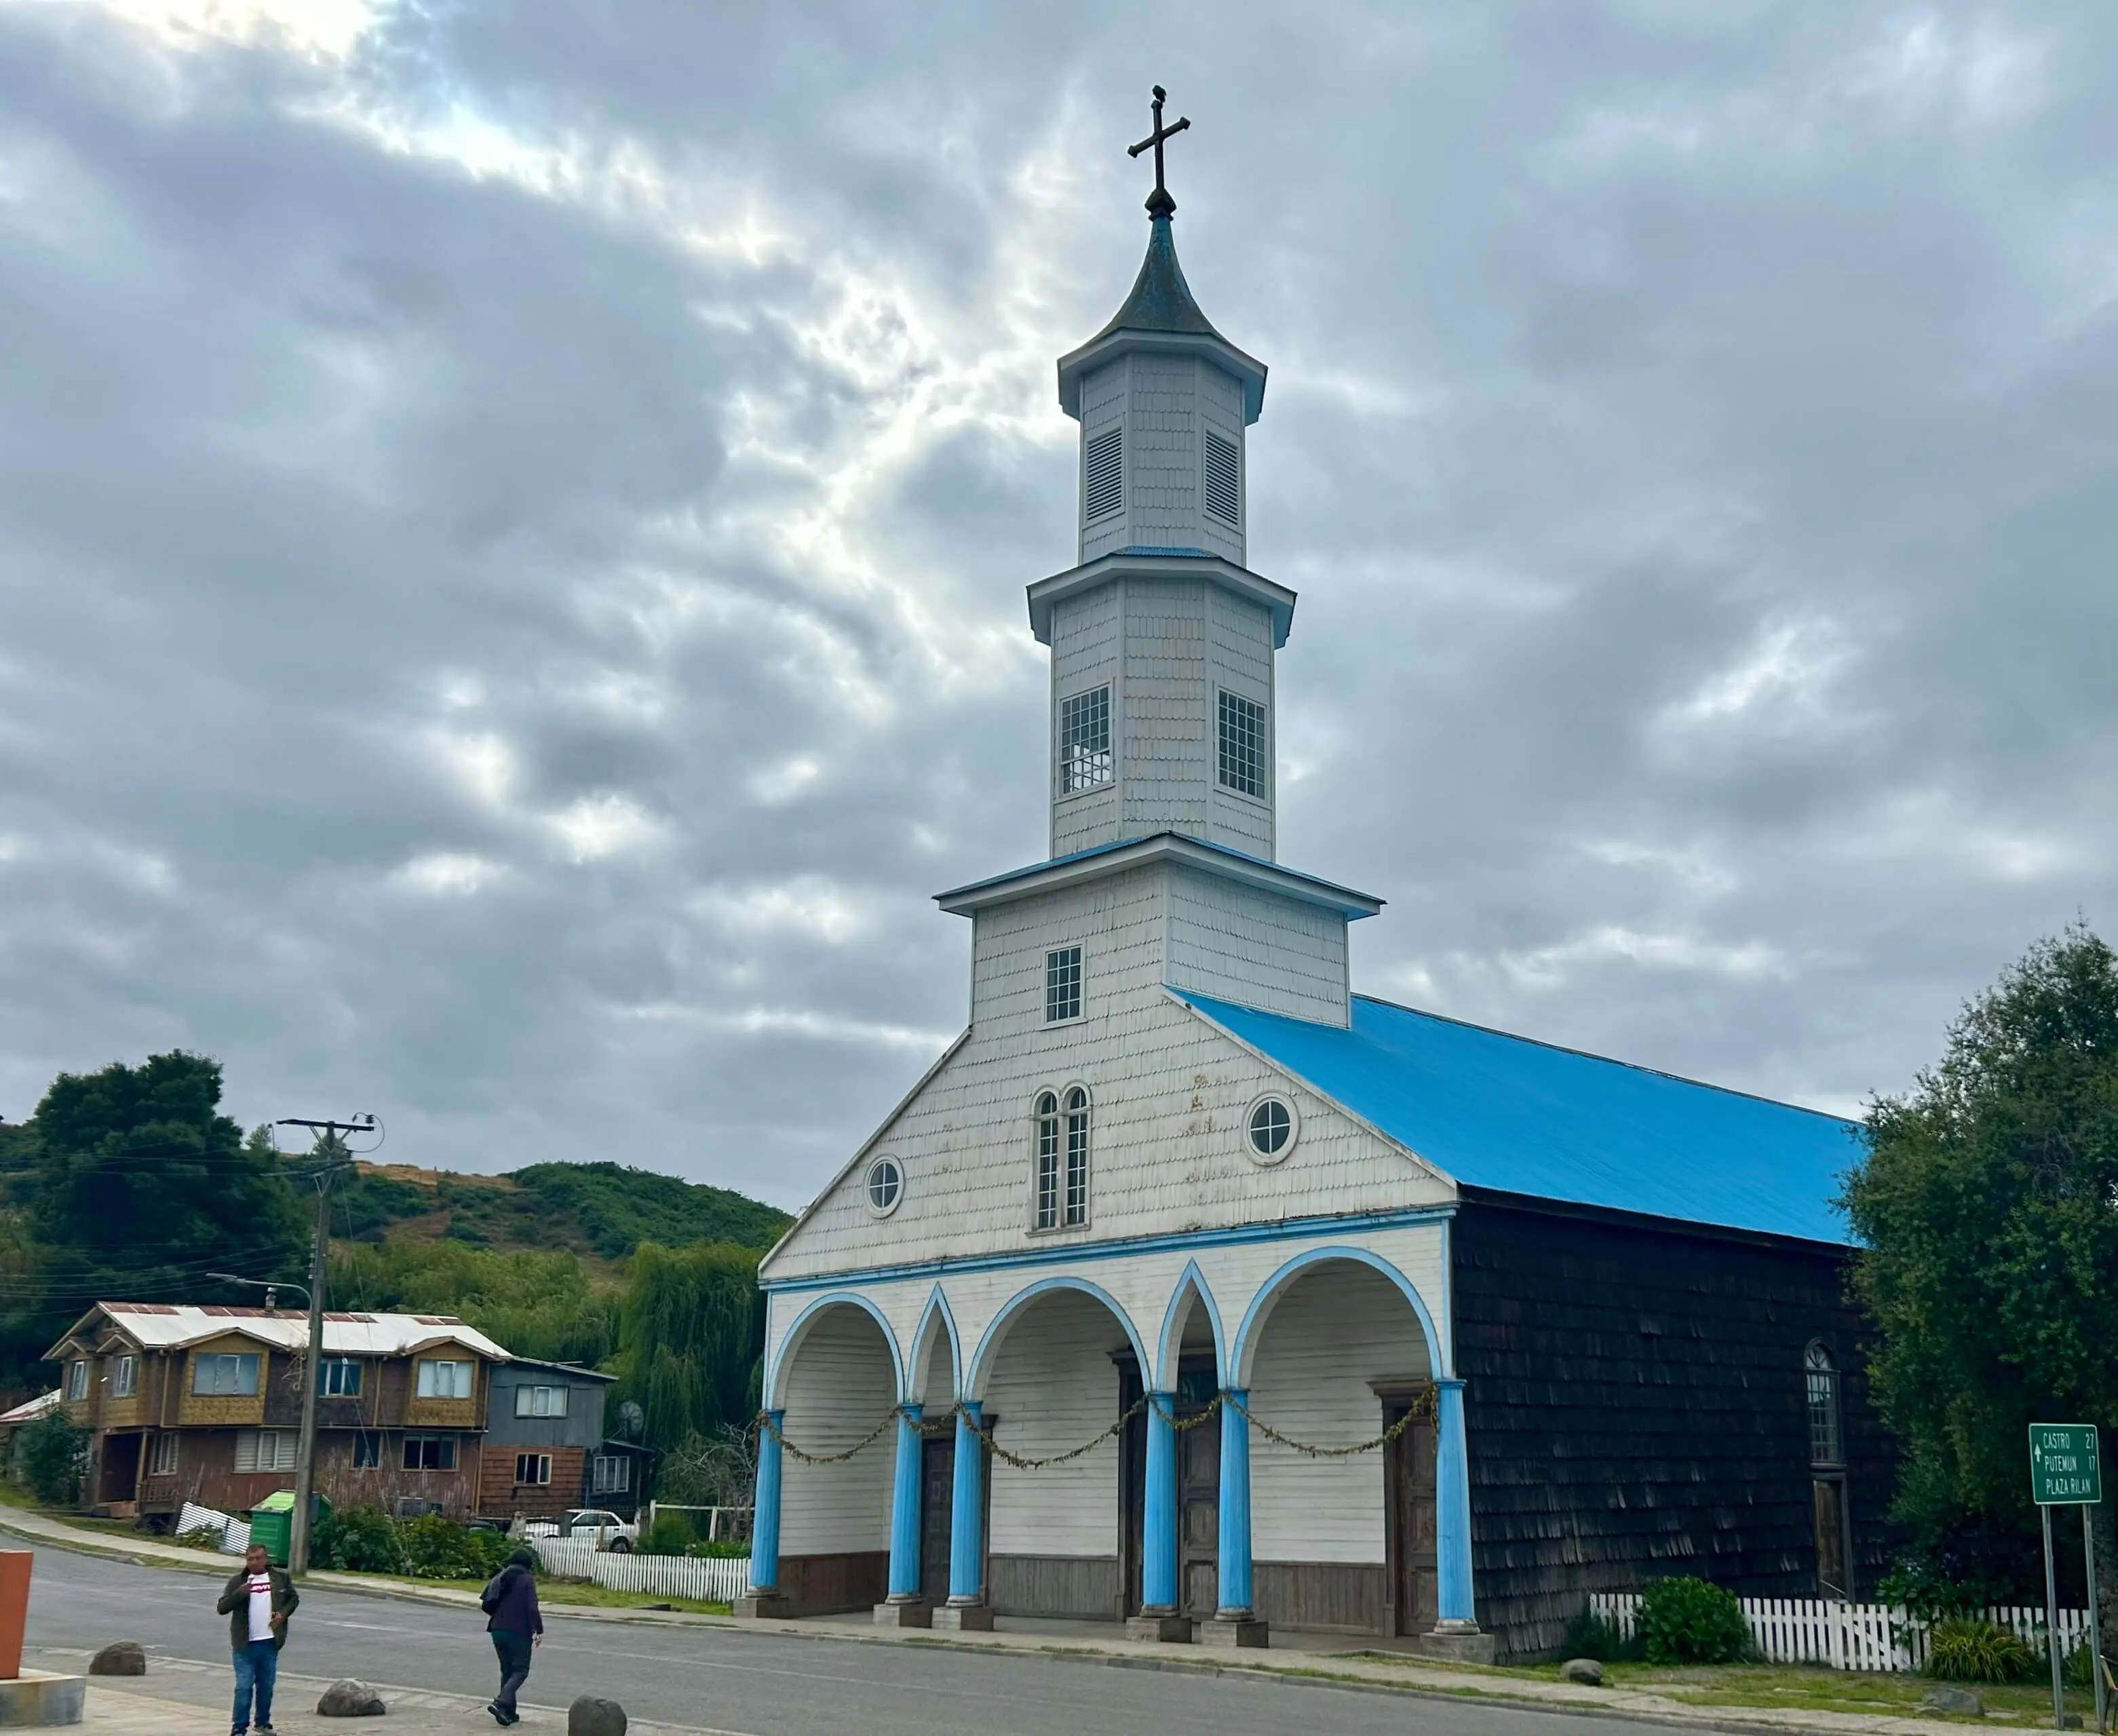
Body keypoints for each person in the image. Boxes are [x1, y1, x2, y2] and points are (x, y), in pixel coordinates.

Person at [216, 1541, 296, 1736]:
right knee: (243, 1687)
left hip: (269, 1643)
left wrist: (283, 1615)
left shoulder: (280, 1578)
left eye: (258, 1558)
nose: (253, 1562)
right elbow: (222, 1608)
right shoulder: (238, 1581)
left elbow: (294, 1599)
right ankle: (239, 1728)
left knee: (266, 1686)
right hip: (244, 1645)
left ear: (265, 1559)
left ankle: (262, 1723)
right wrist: (240, 1593)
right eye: (250, 1559)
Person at [480, 1545, 543, 1727]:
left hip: (497, 1630)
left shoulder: (501, 1576)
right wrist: (538, 1630)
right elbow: (532, 1608)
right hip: (517, 1631)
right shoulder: (526, 1579)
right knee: (521, 1670)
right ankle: (501, 1702)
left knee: (507, 1671)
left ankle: (508, 1712)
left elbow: (486, 1603)